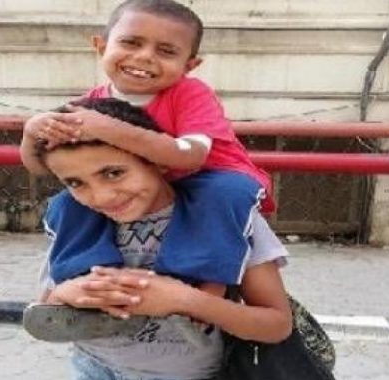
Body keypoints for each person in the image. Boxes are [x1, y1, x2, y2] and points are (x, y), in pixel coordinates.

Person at [28, 98, 292, 380]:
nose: (101, 197)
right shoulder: (76, 218)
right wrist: (68, 294)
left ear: (158, 160)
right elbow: (45, 305)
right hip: (93, 371)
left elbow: (277, 325)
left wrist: (183, 300)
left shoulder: (225, 215)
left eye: (113, 173)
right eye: (76, 183)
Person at [19, 0, 275, 290]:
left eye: (166, 51)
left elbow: (191, 156)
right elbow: (42, 166)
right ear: (101, 46)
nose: (144, 57)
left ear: (189, 65)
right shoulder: (91, 104)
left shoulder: (190, 93)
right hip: (147, 183)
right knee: (66, 202)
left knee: (220, 194)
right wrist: (31, 135)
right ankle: (86, 279)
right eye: (131, 43)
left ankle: (203, 290)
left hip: (210, 177)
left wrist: (110, 129)